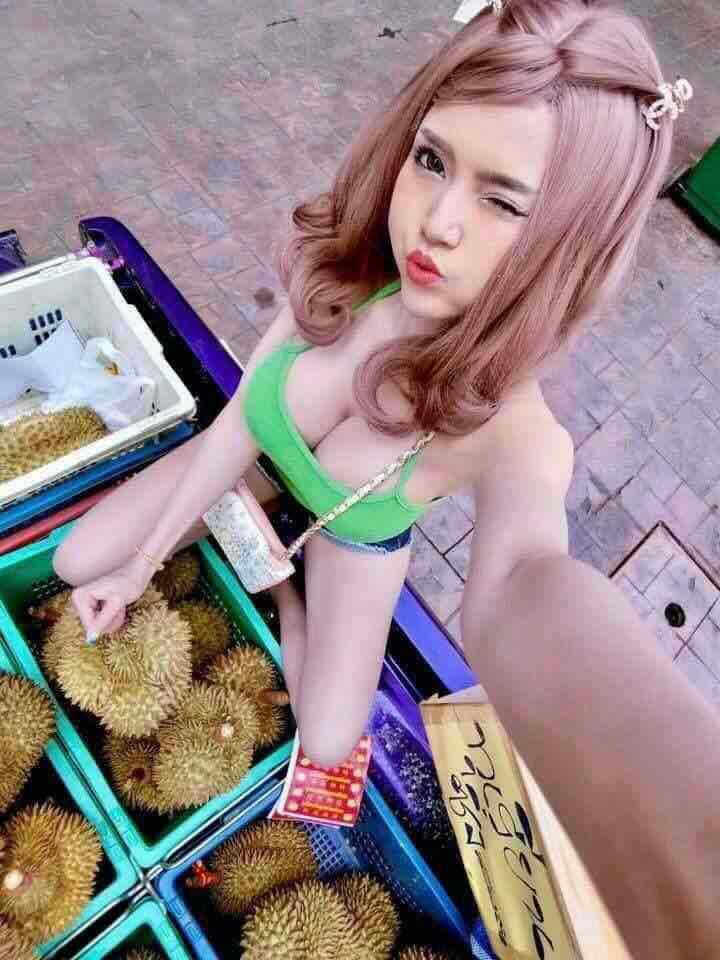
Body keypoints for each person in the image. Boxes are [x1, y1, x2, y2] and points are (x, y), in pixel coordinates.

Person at [53, 3, 720, 954]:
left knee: (329, 740)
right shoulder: (347, 265)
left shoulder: (519, 435)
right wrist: (142, 563)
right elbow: (239, 421)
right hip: (257, 470)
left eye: (505, 202)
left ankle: (281, 583)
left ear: (568, 243)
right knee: (79, 561)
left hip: (353, 534)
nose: (437, 223)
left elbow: (526, 587)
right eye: (434, 159)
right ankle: (250, 533)